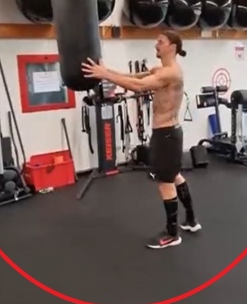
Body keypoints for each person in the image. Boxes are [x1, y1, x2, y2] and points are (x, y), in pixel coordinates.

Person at [81, 31, 201, 249]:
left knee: (165, 183)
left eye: (161, 42)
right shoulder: (161, 70)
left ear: (172, 47)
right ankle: (191, 220)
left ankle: (172, 234)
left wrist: (105, 74)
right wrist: (105, 71)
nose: (156, 44)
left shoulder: (171, 73)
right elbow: (133, 78)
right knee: (174, 176)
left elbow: (139, 87)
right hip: (169, 133)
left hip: (166, 134)